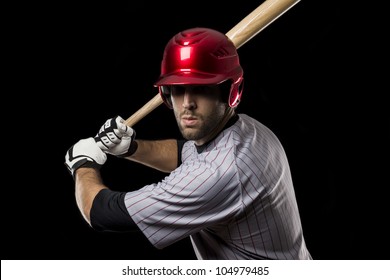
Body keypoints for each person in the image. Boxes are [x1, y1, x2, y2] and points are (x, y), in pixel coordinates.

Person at [65, 27, 312, 260]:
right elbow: (186, 152)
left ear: (230, 92)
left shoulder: (217, 174)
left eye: (201, 88)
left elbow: (101, 214)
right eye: (178, 89)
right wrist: (131, 148)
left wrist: (83, 164)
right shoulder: (248, 129)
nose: (187, 104)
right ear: (166, 93)